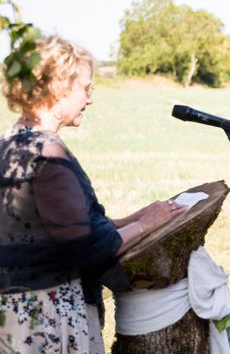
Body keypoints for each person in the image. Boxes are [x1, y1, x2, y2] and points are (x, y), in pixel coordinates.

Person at [0, 35, 187, 353]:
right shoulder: (48, 152)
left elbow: (56, 228)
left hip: (17, 311)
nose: (89, 99)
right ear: (59, 88)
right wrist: (146, 225)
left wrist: (132, 218)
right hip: (47, 314)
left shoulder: (12, 141)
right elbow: (87, 247)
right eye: (86, 88)